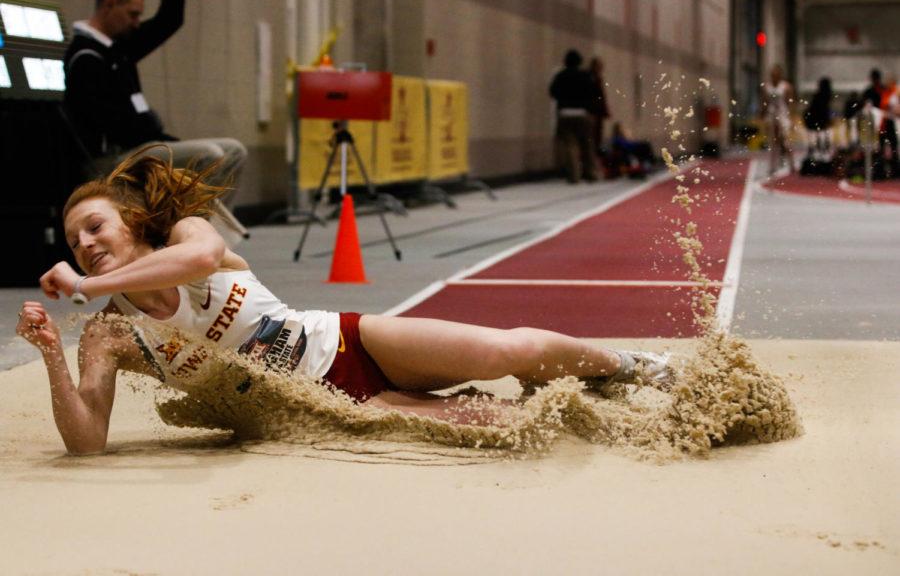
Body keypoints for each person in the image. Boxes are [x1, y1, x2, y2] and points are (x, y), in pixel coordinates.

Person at [17, 149, 673, 454]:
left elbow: (196, 259)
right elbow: (87, 443)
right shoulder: (109, 334)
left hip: (351, 340)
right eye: (75, 242)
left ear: (132, 222)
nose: (86, 244)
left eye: (96, 227)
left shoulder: (187, 238)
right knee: (493, 425)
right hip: (332, 406)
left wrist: (88, 284)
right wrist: (52, 355)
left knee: (511, 349)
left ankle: (626, 366)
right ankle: (614, 426)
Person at [63, 0, 246, 202]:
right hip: (112, 157)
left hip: (141, 144)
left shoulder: (119, 48)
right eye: (133, 14)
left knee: (234, 152)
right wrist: (154, 131)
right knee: (210, 155)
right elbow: (111, 125)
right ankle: (188, 230)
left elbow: (168, 21)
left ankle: (209, 230)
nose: (137, 22)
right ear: (109, 4)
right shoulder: (85, 57)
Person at [549, 49, 598, 183]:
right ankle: (591, 173)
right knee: (587, 144)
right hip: (582, 113)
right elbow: (593, 93)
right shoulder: (585, 76)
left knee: (570, 146)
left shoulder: (561, 76)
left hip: (565, 113)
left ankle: (574, 175)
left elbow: (553, 92)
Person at [761, 65, 797, 176]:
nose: (774, 76)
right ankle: (772, 166)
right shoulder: (766, 86)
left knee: (785, 140)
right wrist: (762, 113)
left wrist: (790, 117)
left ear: (780, 75)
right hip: (771, 114)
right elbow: (764, 102)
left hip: (782, 114)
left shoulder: (786, 86)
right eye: (772, 74)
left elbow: (790, 103)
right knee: (773, 141)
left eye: (776, 74)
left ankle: (792, 164)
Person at [587, 57, 611, 155]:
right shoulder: (591, 79)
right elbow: (597, 96)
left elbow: (601, 97)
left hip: (597, 112)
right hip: (593, 112)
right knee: (593, 137)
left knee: (597, 137)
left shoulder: (597, 79)